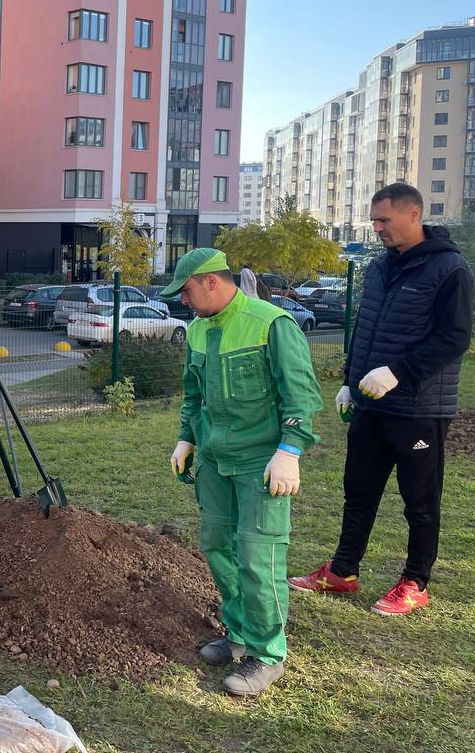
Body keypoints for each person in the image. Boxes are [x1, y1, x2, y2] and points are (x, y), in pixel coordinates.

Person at [289, 183, 472, 615]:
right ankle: (343, 572)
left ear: (413, 214)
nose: (377, 228)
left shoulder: (449, 269)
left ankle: (415, 582)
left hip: (419, 408)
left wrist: (398, 372)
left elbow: (454, 337)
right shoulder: (379, 267)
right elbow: (366, 328)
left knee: (420, 502)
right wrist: (350, 381)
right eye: (374, 220)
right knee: (359, 492)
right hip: (371, 405)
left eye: (384, 220)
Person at [162, 248, 322, 697]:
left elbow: (301, 394)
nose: (183, 301)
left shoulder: (271, 324)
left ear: (211, 281)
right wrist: (187, 438)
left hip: (260, 462)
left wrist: (290, 449)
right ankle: (237, 632)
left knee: (258, 556)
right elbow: (194, 395)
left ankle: (267, 653)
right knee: (218, 545)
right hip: (215, 461)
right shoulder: (197, 330)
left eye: (186, 291)